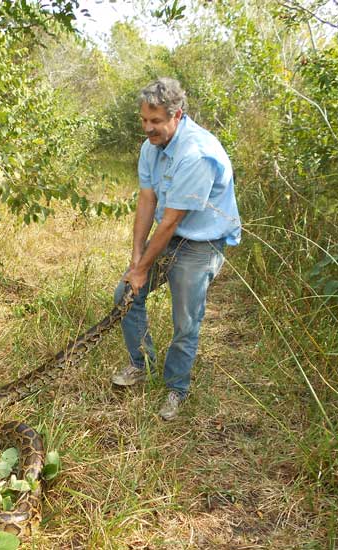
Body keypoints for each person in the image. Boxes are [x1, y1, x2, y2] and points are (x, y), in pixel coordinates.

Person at [111, 77, 241, 421]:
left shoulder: (196, 155)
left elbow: (168, 223)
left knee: (185, 320)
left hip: (201, 244)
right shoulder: (150, 147)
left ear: (177, 116)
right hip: (170, 235)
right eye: (143, 120)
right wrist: (136, 260)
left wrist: (142, 268)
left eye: (156, 121)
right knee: (125, 293)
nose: (148, 128)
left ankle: (176, 389)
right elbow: (146, 200)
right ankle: (142, 365)